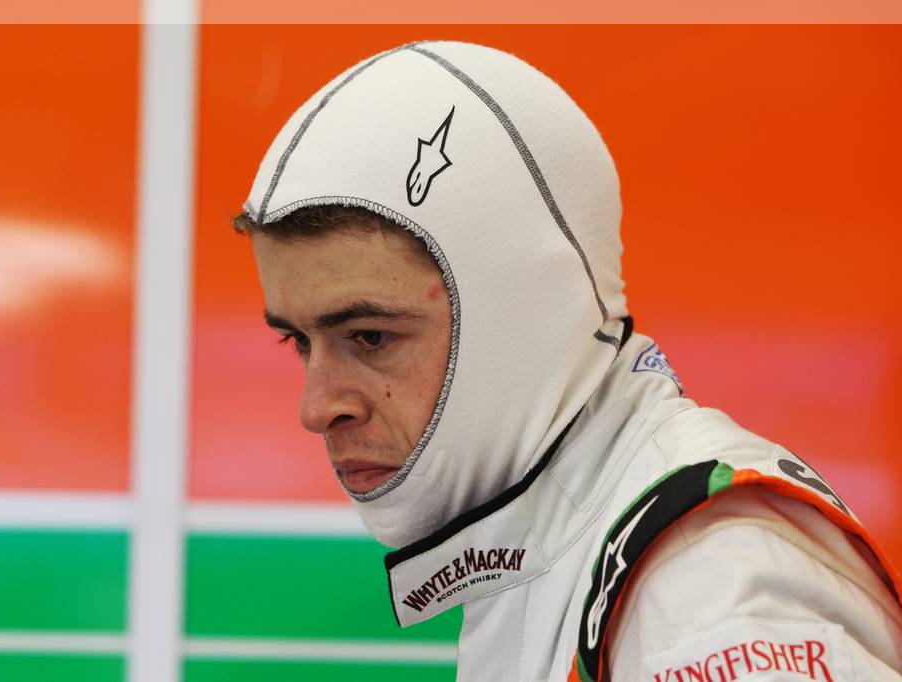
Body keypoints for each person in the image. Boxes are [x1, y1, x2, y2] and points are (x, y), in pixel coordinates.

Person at [233, 41, 902, 681]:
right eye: (299, 342)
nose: (316, 408)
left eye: (370, 337)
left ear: (524, 318)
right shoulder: (557, 542)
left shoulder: (706, 588)